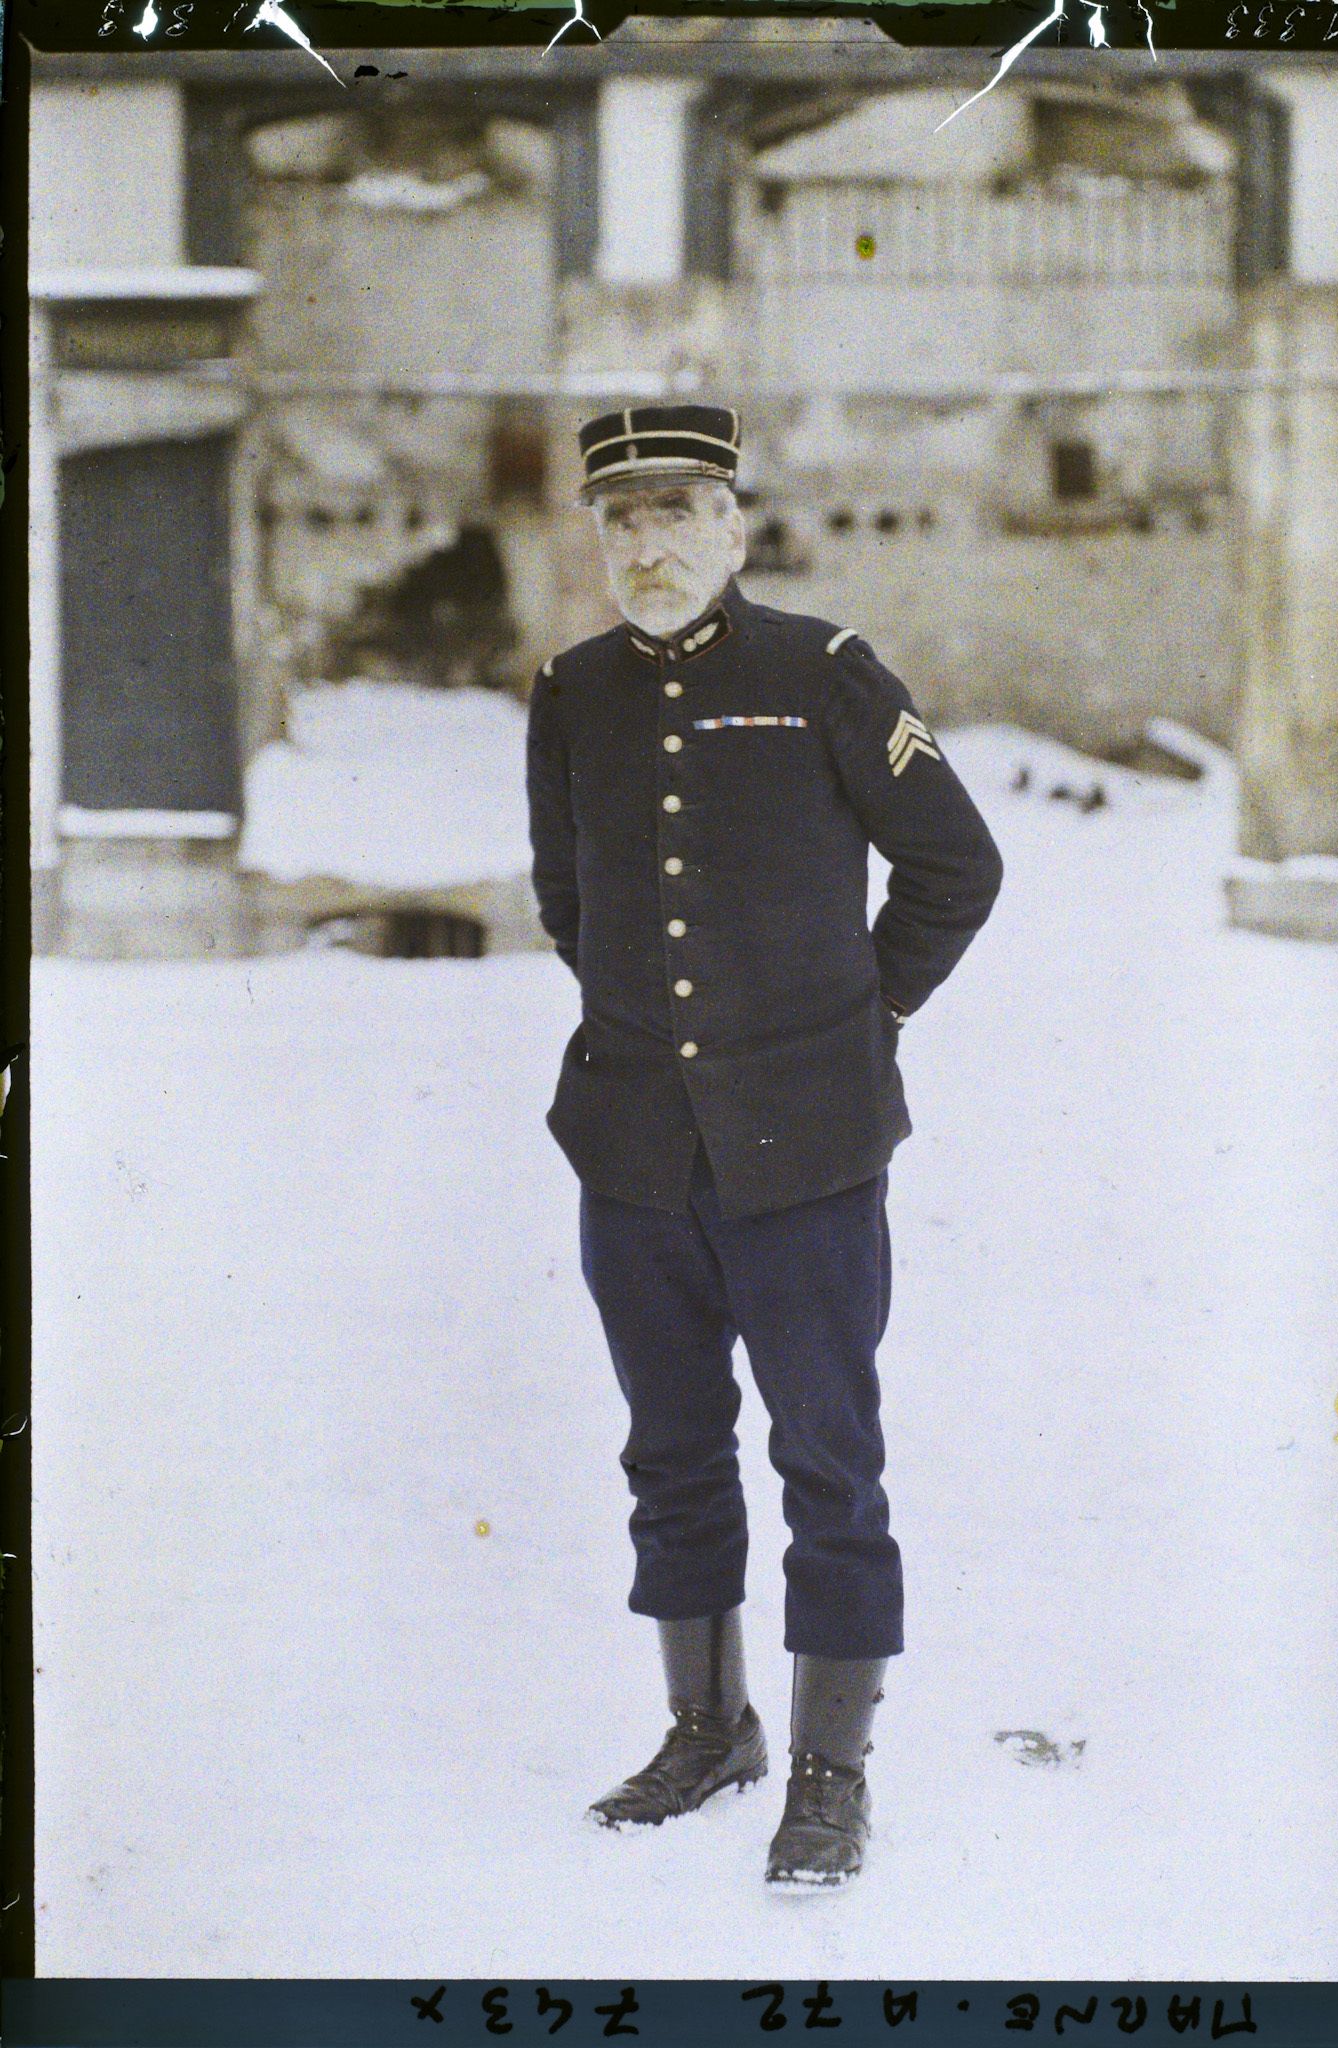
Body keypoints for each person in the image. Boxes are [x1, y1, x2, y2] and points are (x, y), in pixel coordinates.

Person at [526, 404, 1002, 1888]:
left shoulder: (824, 675)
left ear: (737, 527)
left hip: (805, 1151)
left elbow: (954, 864)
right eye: (623, 520)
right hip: (634, 1153)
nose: (649, 545)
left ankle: (828, 1769)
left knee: (827, 1461)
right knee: (669, 1453)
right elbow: (570, 900)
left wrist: (865, 1020)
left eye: (678, 514)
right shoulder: (573, 692)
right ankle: (706, 1729)